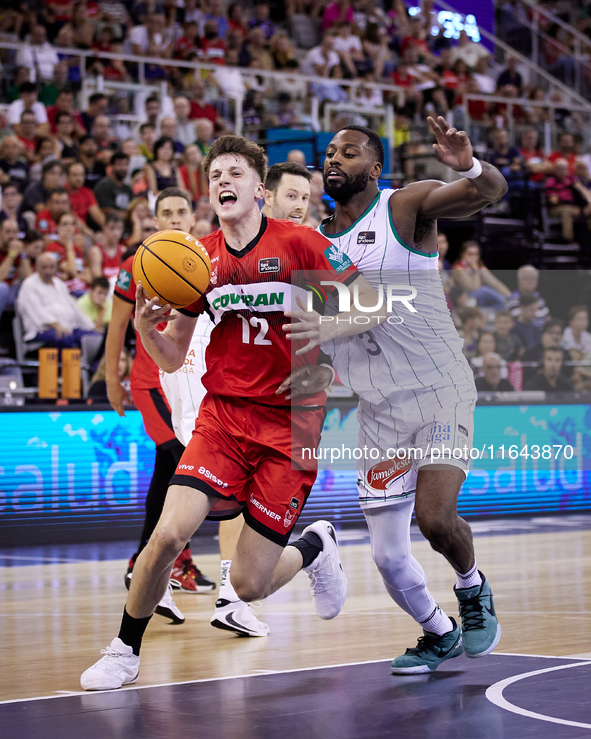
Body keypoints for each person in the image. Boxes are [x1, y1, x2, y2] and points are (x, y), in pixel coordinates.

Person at [80, 136, 385, 690]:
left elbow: (375, 305)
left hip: (291, 423)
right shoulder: (199, 261)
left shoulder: (302, 244)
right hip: (222, 417)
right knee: (168, 535)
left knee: (247, 585)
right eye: (215, 174)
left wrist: (330, 324)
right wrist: (148, 334)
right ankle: (124, 650)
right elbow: (174, 354)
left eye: (235, 173)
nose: (223, 181)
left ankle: (316, 545)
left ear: (259, 190)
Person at [316, 122, 506, 674]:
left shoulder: (403, 207)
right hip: (378, 410)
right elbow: (325, 324)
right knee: (387, 557)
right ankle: (438, 632)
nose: (335, 159)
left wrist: (469, 165)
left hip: (439, 386)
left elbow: (487, 192)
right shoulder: (314, 242)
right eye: (329, 152)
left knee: (436, 518)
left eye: (348, 153)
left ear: (374, 169)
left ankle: (472, 588)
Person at [16, 252, 97, 348]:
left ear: (56, 268)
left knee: (96, 338)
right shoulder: (29, 285)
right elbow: (36, 312)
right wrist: (56, 325)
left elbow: (74, 309)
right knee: (67, 338)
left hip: (68, 328)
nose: (48, 271)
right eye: (44, 267)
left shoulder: (59, 284)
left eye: (51, 267)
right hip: (42, 331)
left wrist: (91, 327)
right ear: (37, 268)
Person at [451, 240, 511, 310]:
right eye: (470, 254)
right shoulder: (458, 268)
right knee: (484, 290)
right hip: (466, 300)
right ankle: (508, 303)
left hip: (479, 301)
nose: (474, 257)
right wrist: (475, 271)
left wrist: (509, 295)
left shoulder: (479, 267)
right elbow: (474, 289)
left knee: (502, 303)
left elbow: (495, 283)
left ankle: (511, 301)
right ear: (463, 255)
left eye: (476, 254)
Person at [504, 265, 549, 330]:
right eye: (526, 278)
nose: (530, 281)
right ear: (519, 281)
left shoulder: (540, 299)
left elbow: (547, 318)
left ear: (537, 282)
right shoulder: (511, 299)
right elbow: (517, 322)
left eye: (532, 278)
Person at [88, 213, 127, 283]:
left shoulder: (124, 250)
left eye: (119, 228)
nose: (116, 233)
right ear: (104, 227)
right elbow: (98, 281)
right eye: (112, 228)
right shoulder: (96, 251)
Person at [94, 151, 135, 216]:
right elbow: (105, 210)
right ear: (112, 166)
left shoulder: (127, 188)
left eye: (125, 165)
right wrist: (126, 215)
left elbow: (133, 206)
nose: (122, 168)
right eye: (119, 164)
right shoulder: (104, 185)